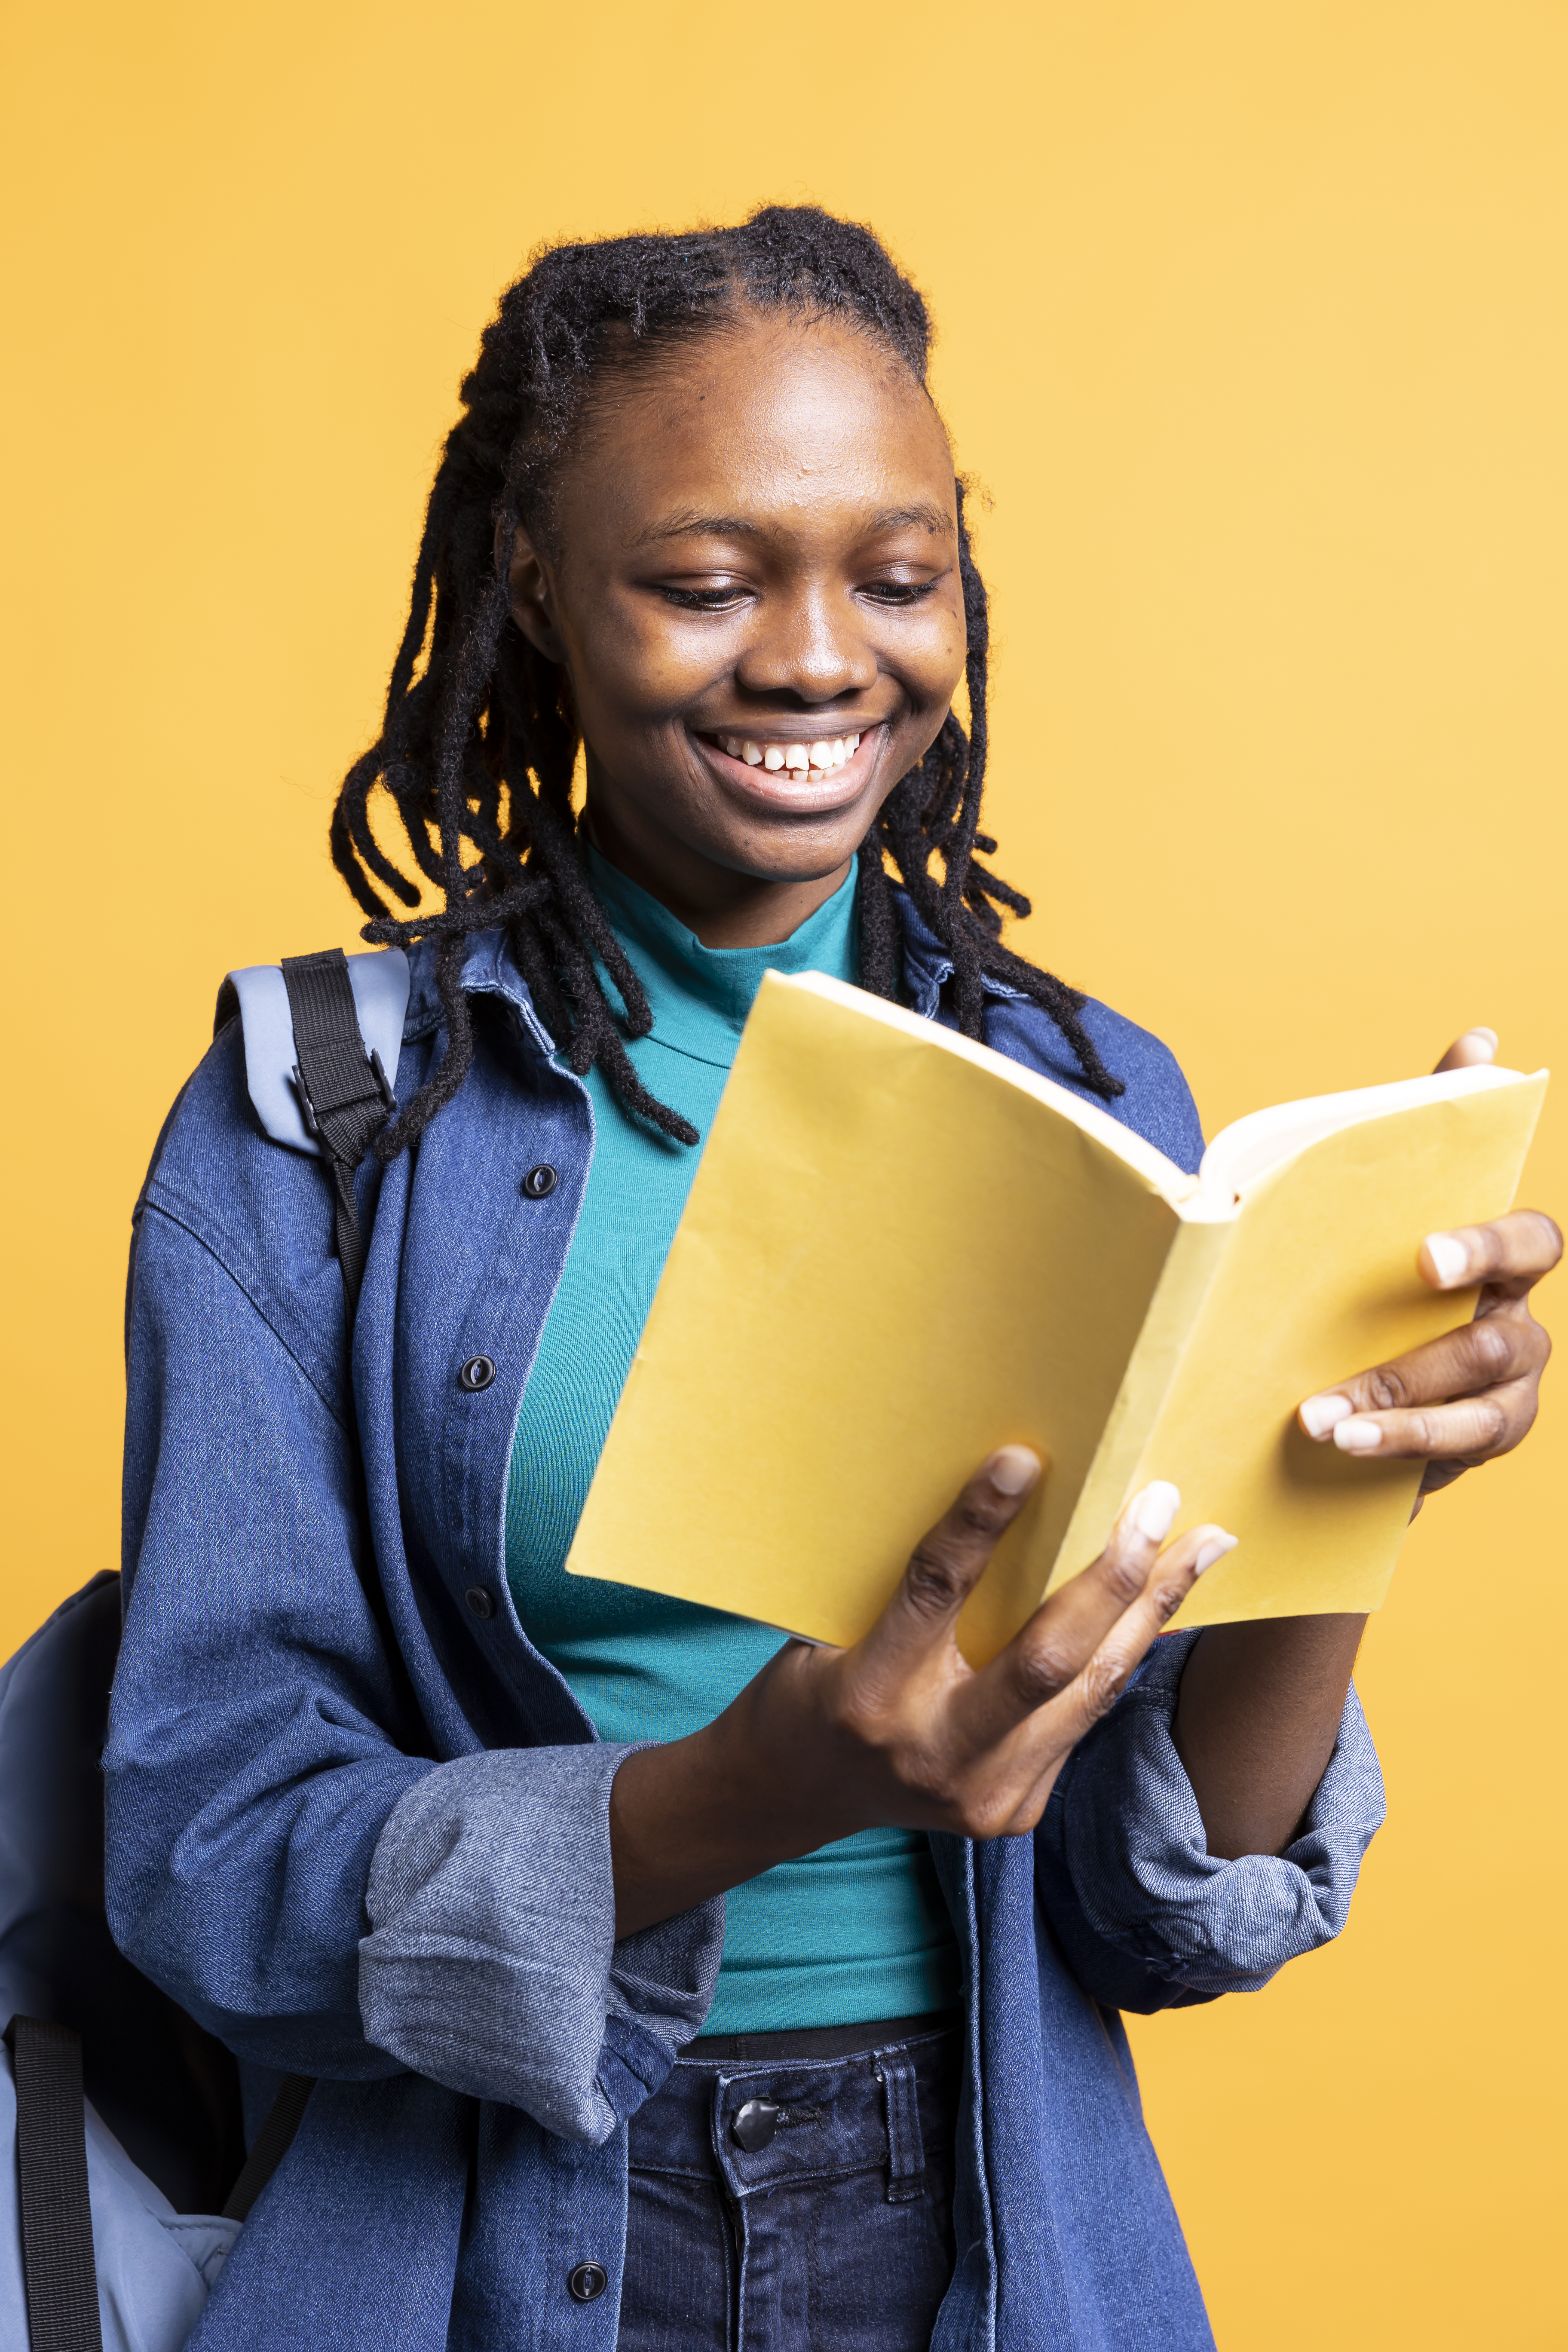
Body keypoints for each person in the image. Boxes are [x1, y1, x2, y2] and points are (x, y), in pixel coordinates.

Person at [103, 207, 1559, 2352]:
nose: (814, 659)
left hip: (995, 2218)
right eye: (705, 583)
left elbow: (1164, 1914)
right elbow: (207, 1863)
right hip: (501, 2241)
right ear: (533, 588)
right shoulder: (315, 1124)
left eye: (898, 578)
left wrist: (1352, 1480)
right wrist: (749, 1795)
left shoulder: (1093, 1097)